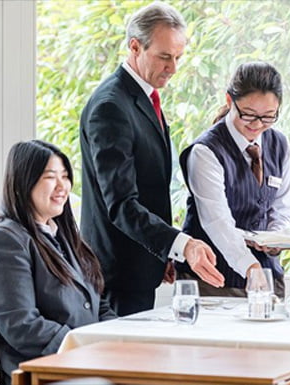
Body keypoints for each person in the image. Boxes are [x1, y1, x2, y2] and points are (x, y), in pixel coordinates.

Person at [80, 2, 224, 316]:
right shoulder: (110, 107)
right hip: (115, 278)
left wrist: (163, 254)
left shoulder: (141, 99)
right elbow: (121, 205)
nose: (173, 68)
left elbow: (149, 189)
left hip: (140, 270)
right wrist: (181, 244)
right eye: (164, 57)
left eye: (178, 58)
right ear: (135, 46)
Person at [0, 140, 116, 385]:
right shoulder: (7, 239)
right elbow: (21, 325)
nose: (63, 186)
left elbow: (98, 305)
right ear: (23, 182)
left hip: (84, 362)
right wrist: (86, 347)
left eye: (65, 176)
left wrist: (117, 339)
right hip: (43, 371)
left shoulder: (64, 235)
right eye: (50, 177)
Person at [175, 61, 290, 298]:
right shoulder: (206, 151)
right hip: (213, 279)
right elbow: (217, 222)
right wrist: (249, 266)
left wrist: (275, 236)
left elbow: (284, 206)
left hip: (266, 275)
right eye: (249, 115)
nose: (258, 125)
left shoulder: (279, 144)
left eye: (268, 117)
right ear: (230, 101)